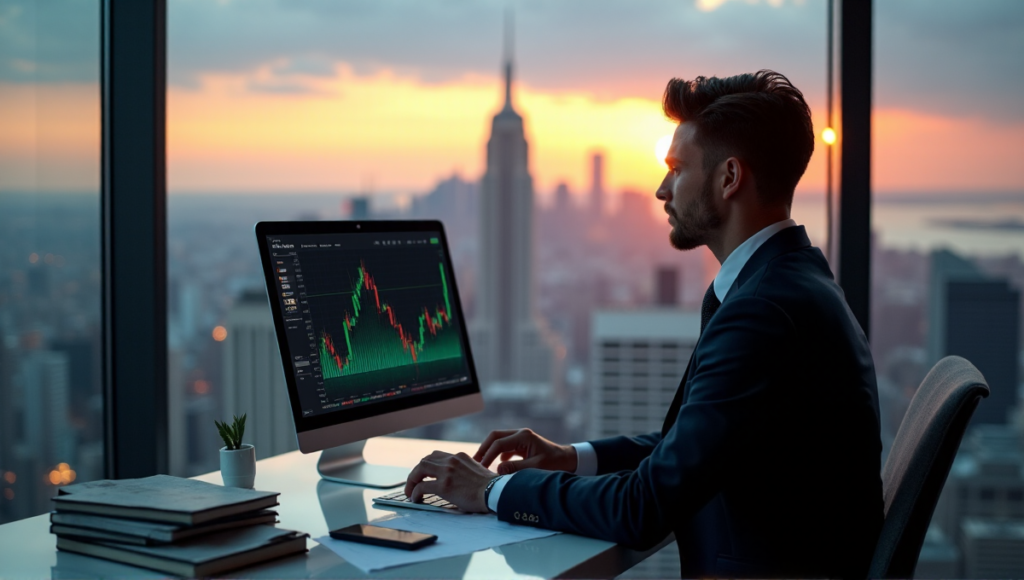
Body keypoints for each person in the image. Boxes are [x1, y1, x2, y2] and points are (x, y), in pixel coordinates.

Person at [404, 70, 883, 578]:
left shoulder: (762, 312)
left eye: (677, 169)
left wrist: (490, 490)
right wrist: (573, 456)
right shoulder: (789, 281)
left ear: (729, 178)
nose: (661, 189)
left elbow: (643, 508)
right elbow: (693, 449)